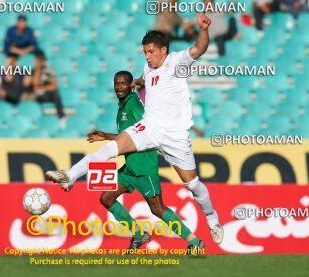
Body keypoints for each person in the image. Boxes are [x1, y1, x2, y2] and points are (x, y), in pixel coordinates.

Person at [46, 24, 224, 244]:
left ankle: (211, 216)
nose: (148, 57)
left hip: (175, 135)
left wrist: (204, 30)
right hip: (150, 127)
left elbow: (199, 48)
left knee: (192, 183)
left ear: (163, 50)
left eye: (151, 52)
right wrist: (137, 81)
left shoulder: (177, 62)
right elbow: (145, 77)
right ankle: (69, 176)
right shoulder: (148, 68)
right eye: (145, 52)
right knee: (111, 149)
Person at [90, 70, 205, 252]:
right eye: (117, 83)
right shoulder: (123, 107)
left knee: (157, 208)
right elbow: (127, 136)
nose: (119, 87)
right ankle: (138, 233)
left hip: (144, 166)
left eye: (123, 84)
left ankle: (194, 241)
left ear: (130, 85)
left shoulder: (134, 104)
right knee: (106, 197)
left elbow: (147, 127)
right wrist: (106, 136)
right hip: (130, 167)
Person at [32, 51, 65, 119]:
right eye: (38, 60)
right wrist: (38, 70)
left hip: (48, 95)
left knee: (56, 94)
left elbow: (53, 86)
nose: (40, 62)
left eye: (41, 60)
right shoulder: (32, 71)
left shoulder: (49, 70)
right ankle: (38, 117)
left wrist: (41, 87)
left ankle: (61, 117)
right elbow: (35, 86)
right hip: (38, 96)